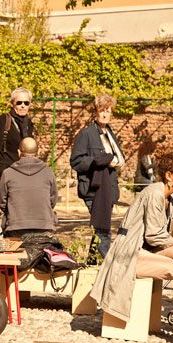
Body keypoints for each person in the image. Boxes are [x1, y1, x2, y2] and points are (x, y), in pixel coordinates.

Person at [89, 151, 173, 343]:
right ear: (169, 175)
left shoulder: (168, 199)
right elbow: (154, 235)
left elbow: (158, 238)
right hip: (129, 254)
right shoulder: (155, 193)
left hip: (147, 252)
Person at [70, 94, 125, 260]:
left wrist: (113, 162)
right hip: (94, 190)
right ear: (95, 112)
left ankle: (93, 263)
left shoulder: (109, 133)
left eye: (108, 111)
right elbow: (76, 161)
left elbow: (118, 158)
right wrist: (99, 161)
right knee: (103, 230)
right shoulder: (86, 134)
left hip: (108, 189)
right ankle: (107, 266)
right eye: (102, 111)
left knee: (100, 229)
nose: (105, 114)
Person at [0, 137, 58, 237]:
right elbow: (52, 200)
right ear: (37, 152)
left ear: (18, 152)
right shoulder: (48, 172)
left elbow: (2, 202)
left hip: (15, 227)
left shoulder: (8, 173)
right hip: (44, 226)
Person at [0, 87, 35, 182]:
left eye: (26, 103)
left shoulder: (29, 124)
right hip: (8, 177)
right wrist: (6, 174)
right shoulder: (2, 122)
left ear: (30, 104)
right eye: (19, 102)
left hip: (26, 177)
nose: (23, 106)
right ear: (12, 103)